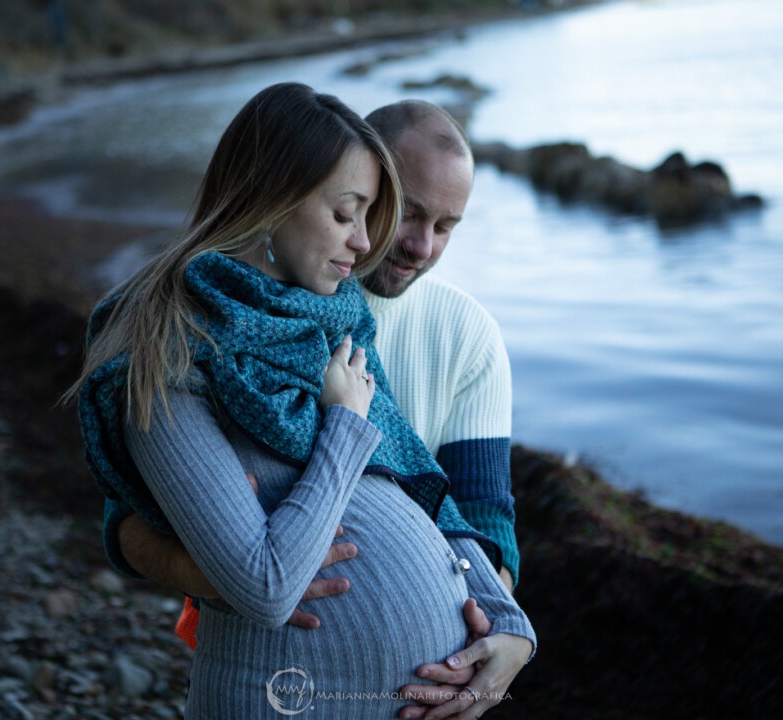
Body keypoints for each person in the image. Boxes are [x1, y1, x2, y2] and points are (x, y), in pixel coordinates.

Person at [69, 83, 535, 718]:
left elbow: (467, 512)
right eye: (360, 213)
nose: (379, 241)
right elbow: (137, 518)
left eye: (446, 226)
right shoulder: (181, 344)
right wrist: (343, 425)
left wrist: (511, 631)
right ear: (275, 200)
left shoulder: (342, 324)